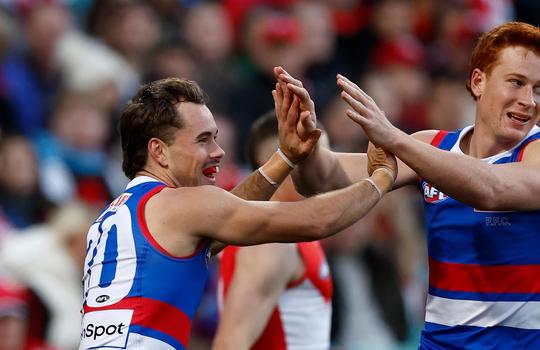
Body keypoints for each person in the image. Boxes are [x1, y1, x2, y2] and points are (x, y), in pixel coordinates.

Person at [275, 21, 540, 349]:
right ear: (478, 82)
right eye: (516, 82)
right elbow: (325, 179)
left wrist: (393, 137)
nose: (529, 100)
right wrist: (304, 150)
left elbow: (492, 190)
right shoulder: (431, 147)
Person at [79, 77, 396, 349]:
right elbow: (316, 220)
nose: (219, 151)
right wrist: (381, 176)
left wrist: (284, 157)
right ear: (158, 151)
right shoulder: (182, 205)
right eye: (204, 140)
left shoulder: (116, 215)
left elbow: (224, 210)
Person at [213, 111, 332, 350]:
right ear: (285, 165)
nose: (329, 170)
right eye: (318, 158)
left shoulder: (292, 232)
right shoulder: (271, 243)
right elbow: (230, 344)